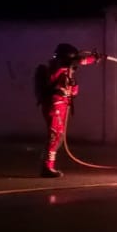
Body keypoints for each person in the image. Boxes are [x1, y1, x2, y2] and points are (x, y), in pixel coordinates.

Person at [33, 42, 99, 177]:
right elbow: (57, 83)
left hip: (62, 106)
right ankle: (47, 167)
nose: (74, 65)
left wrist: (95, 59)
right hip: (55, 106)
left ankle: (47, 165)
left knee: (58, 137)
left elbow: (73, 91)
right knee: (55, 136)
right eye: (71, 61)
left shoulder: (66, 69)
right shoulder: (55, 70)